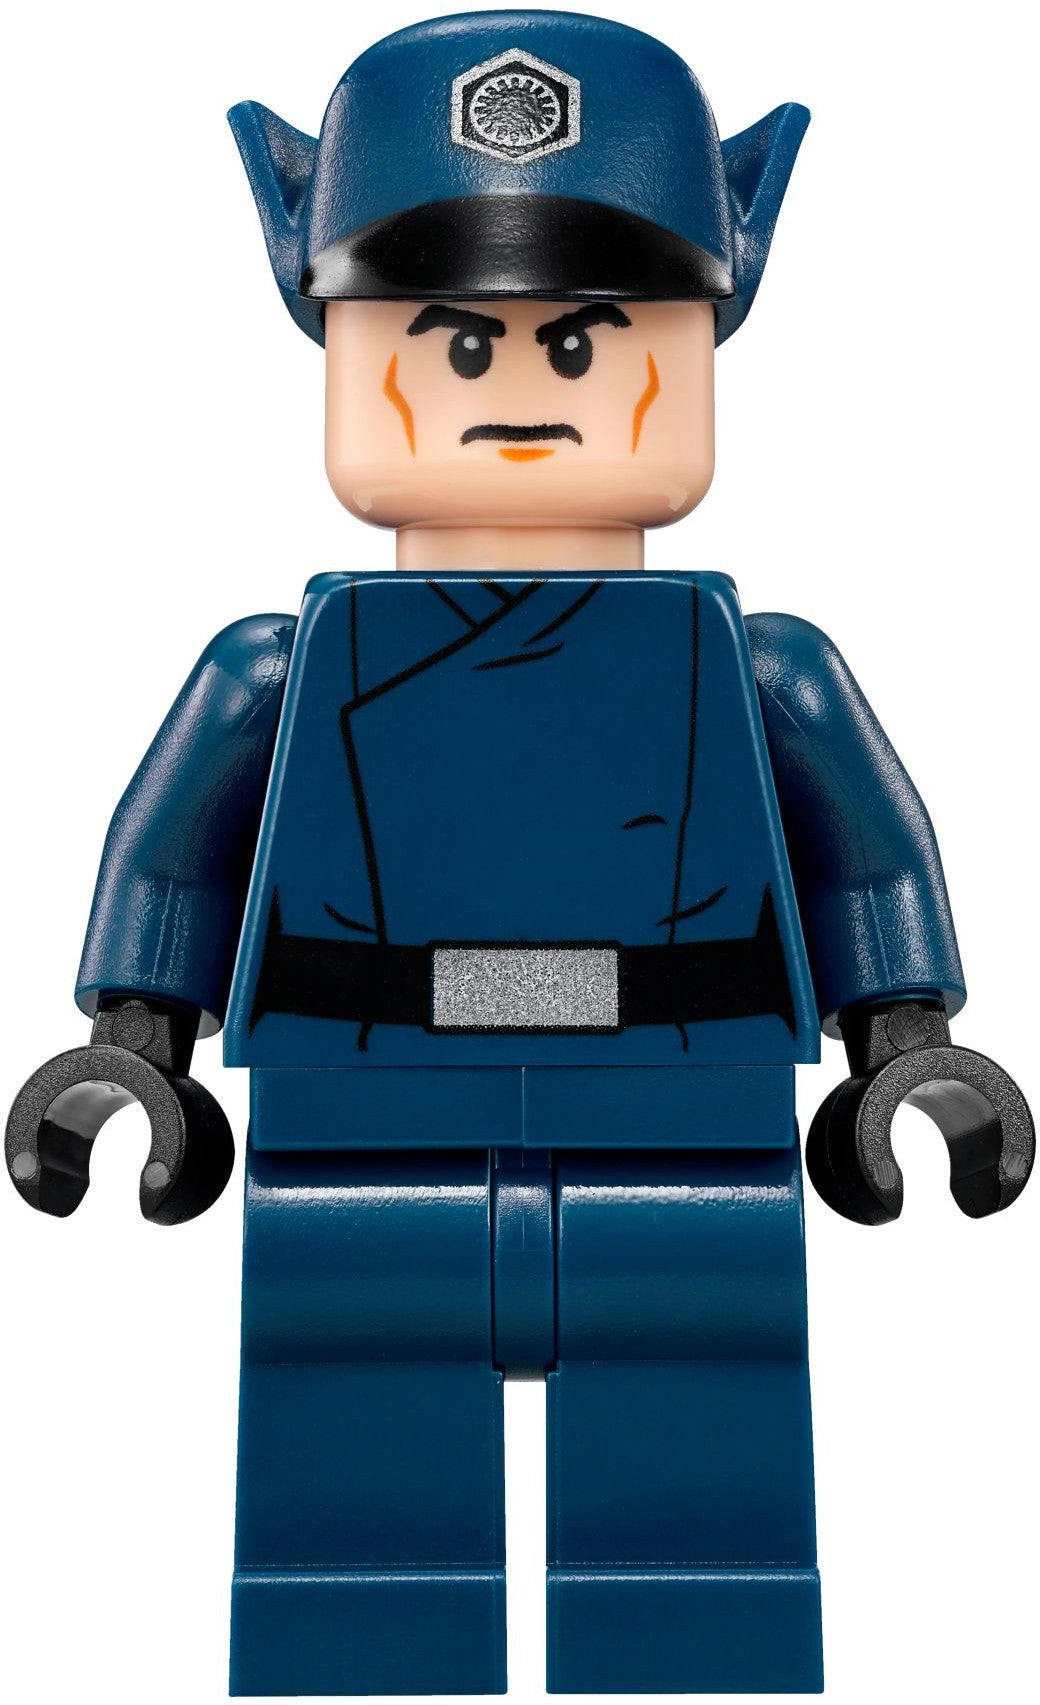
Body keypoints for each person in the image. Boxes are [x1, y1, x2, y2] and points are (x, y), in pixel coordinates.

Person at [6, 12, 1032, 1695]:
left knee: (704, 1493)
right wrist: (133, 1043)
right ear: (336, 343)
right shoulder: (278, 666)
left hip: (687, 1126)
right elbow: (173, 857)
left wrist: (907, 1042)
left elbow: (868, 859)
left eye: (589, 339)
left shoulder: (763, 666)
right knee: (348, 1495)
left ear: (706, 339)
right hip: (358, 1120)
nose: (527, 389)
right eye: (458, 344)